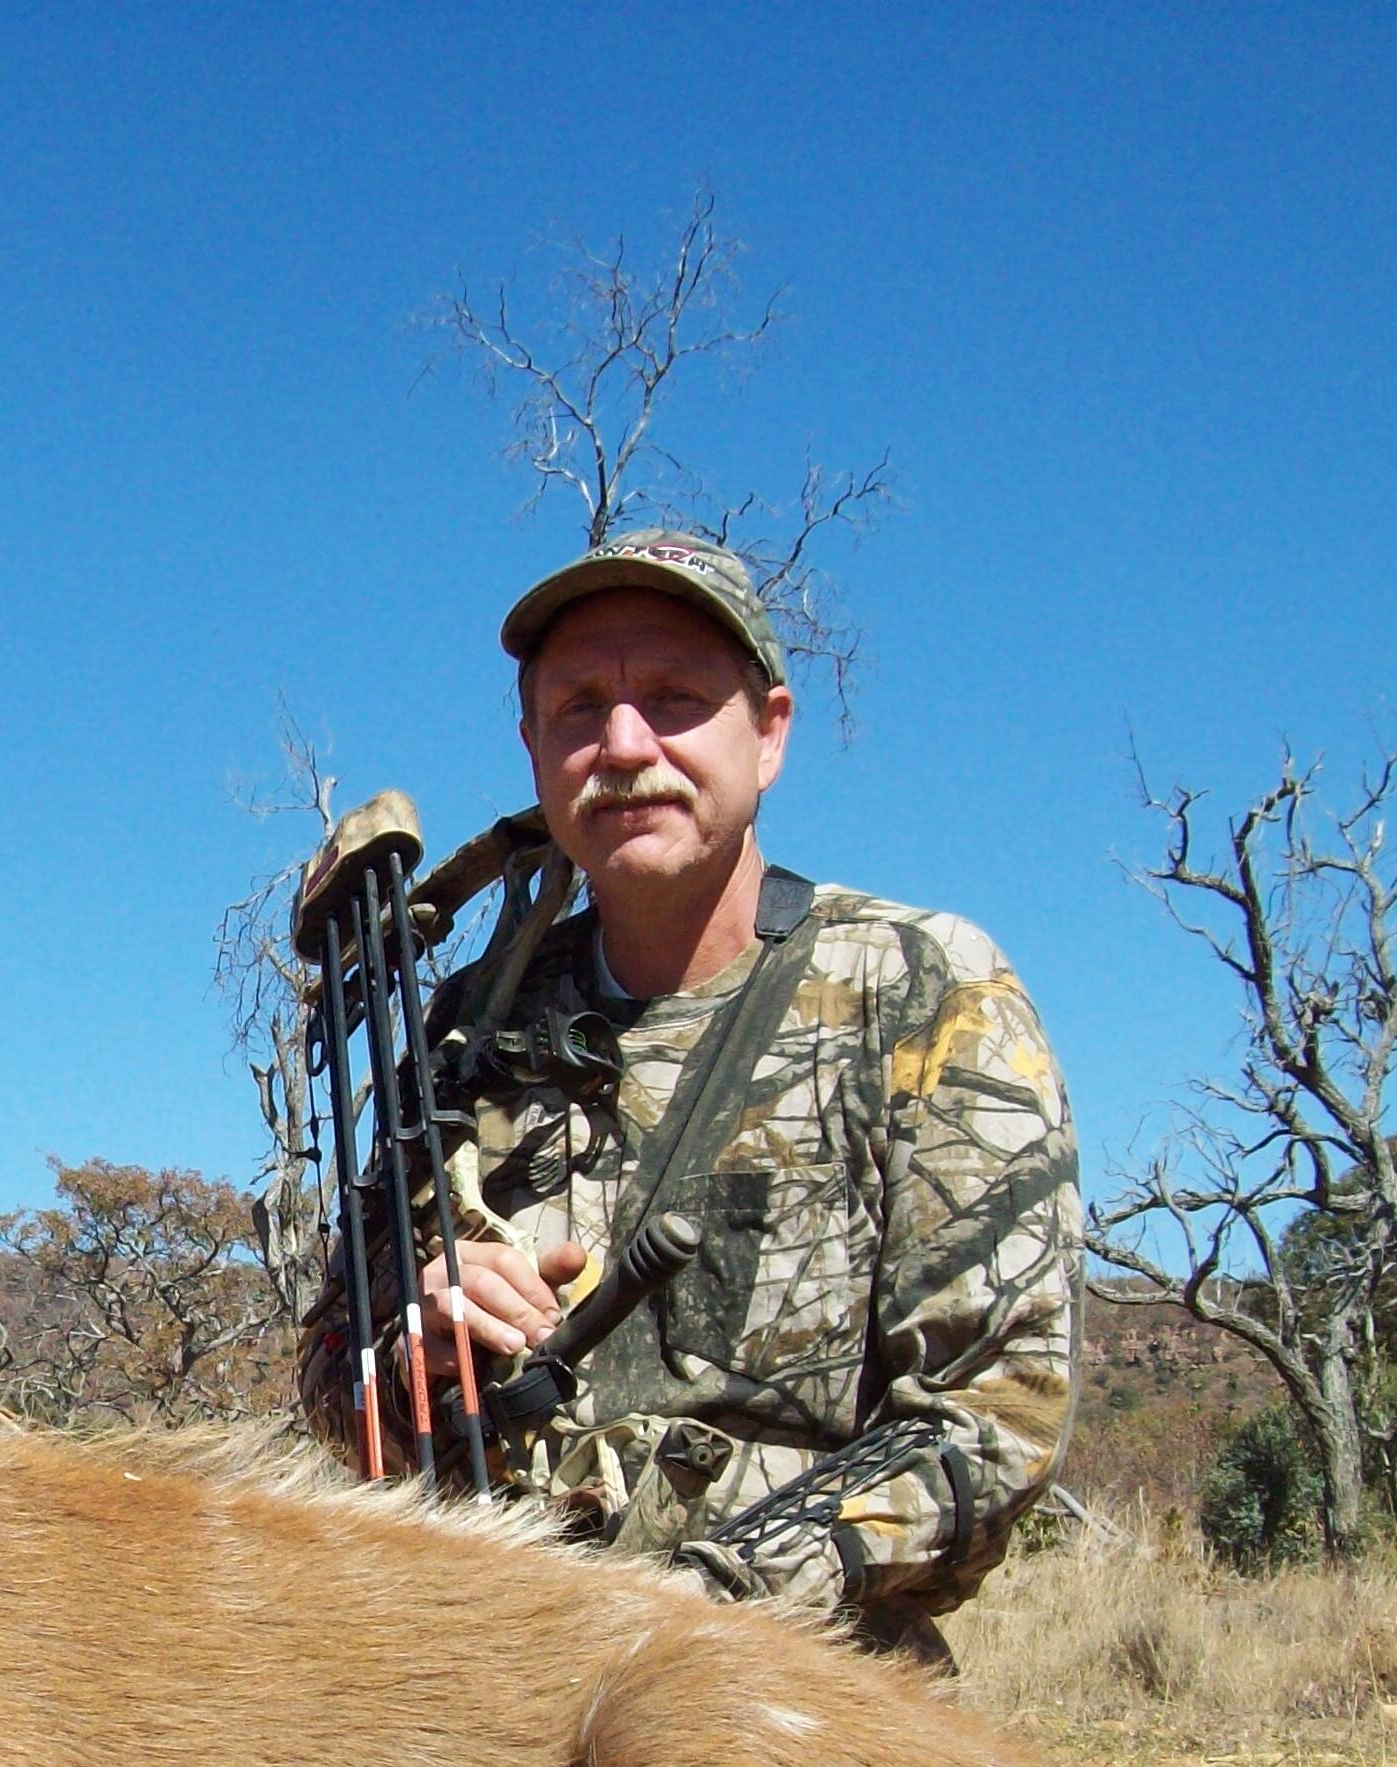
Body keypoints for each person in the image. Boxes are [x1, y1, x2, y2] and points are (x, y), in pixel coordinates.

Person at [300, 530, 1081, 1664]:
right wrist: (406, 1354)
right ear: (531, 747)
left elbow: (988, 1424)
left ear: (767, 734)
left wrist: (685, 1615)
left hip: (796, 1694)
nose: (623, 746)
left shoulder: (922, 988)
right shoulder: (467, 1027)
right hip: (481, 1684)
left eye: (672, 699)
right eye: (578, 708)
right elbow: (328, 1383)